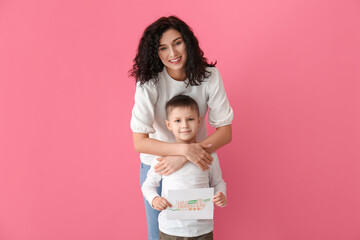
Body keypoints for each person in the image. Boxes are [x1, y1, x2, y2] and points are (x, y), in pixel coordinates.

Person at [130, 16, 233, 240]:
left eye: (177, 42)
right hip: (159, 167)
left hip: (199, 162)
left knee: (198, 233)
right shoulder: (149, 84)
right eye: (163, 48)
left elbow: (225, 133)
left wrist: (187, 155)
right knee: (158, 235)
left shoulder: (209, 77)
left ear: (188, 42)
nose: (172, 53)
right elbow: (140, 142)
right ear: (155, 52)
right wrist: (184, 151)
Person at [142, 95, 227, 240]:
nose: (185, 125)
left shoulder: (209, 155)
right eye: (177, 121)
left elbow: (218, 182)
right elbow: (148, 185)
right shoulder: (162, 157)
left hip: (202, 230)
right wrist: (154, 199)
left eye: (190, 119)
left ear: (199, 121)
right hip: (170, 230)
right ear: (169, 125)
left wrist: (221, 194)